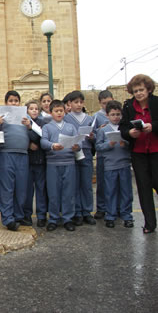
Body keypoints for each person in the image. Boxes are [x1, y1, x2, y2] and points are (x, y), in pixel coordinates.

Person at [119, 74, 158, 234]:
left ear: (148, 89)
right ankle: (149, 223)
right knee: (143, 187)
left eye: (141, 90)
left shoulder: (156, 102)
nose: (139, 93)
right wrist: (130, 133)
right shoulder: (128, 106)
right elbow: (122, 129)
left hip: (156, 150)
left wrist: (152, 126)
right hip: (139, 152)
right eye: (135, 91)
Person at [0, 91, 31, 230]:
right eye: (11, 101)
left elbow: (35, 135)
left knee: (21, 188)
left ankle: (18, 215)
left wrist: (29, 126)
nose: (14, 103)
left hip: (23, 155)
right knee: (7, 188)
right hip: (6, 155)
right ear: (6, 103)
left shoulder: (26, 117)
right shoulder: (0, 117)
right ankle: (8, 218)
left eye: (16, 101)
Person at [41, 100, 80, 232]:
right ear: (51, 112)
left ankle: (68, 219)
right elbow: (43, 142)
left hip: (69, 163)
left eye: (61, 111)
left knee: (68, 193)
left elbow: (78, 142)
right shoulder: (47, 127)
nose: (59, 113)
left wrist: (76, 146)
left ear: (65, 112)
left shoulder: (70, 127)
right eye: (56, 111)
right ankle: (53, 219)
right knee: (53, 192)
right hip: (52, 164)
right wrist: (52, 145)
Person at [96, 100, 134, 228]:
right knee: (110, 191)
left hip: (124, 164)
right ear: (107, 115)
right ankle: (110, 215)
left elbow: (132, 145)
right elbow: (98, 147)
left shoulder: (125, 129)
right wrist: (109, 144)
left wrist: (125, 144)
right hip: (109, 165)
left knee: (126, 191)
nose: (115, 117)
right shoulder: (103, 130)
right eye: (112, 114)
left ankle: (126, 215)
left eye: (118, 114)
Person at [64, 90, 96, 226]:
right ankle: (76, 212)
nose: (78, 105)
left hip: (86, 152)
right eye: (75, 102)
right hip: (72, 153)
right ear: (69, 104)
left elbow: (96, 138)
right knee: (74, 184)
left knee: (86, 184)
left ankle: (87, 211)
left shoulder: (89, 119)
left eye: (81, 102)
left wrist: (93, 137)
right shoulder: (66, 119)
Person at [25, 100, 48, 227]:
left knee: (41, 190)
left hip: (40, 161)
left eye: (36, 109)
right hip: (28, 161)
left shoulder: (43, 123)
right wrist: (28, 144)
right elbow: (24, 138)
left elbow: (40, 137)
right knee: (28, 190)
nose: (34, 111)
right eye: (31, 108)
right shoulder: (24, 123)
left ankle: (41, 215)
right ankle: (27, 214)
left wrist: (31, 129)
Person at [92, 90, 114, 219]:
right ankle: (101, 207)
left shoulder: (118, 114)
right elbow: (92, 133)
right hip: (102, 154)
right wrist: (98, 132)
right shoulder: (97, 117)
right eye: (104, 103)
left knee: (116, 182)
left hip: (116, 154)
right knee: (101, 182)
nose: (107, 106)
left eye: (109, 103)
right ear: (100, 103)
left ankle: (115, 206)